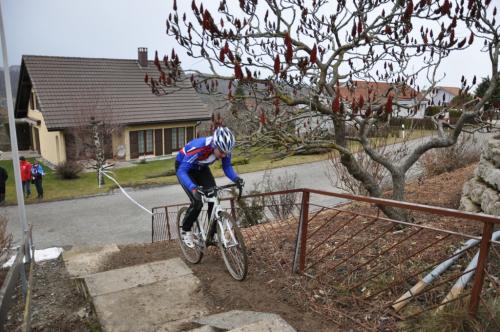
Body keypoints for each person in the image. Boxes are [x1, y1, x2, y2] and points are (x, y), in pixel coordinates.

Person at [175, 127, 244, 248]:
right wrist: (193, 187)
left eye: (226, 153)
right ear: (214, 145)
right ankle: (186, 230)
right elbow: (182, 171)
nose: (224, 155)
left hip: (201, 168)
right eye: (221, 152)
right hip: (185, 169)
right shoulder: (199, 147)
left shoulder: (225, 149)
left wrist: (236, 179)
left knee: (213, 197)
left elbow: (227, 167)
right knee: (197, 201)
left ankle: (212, 235)